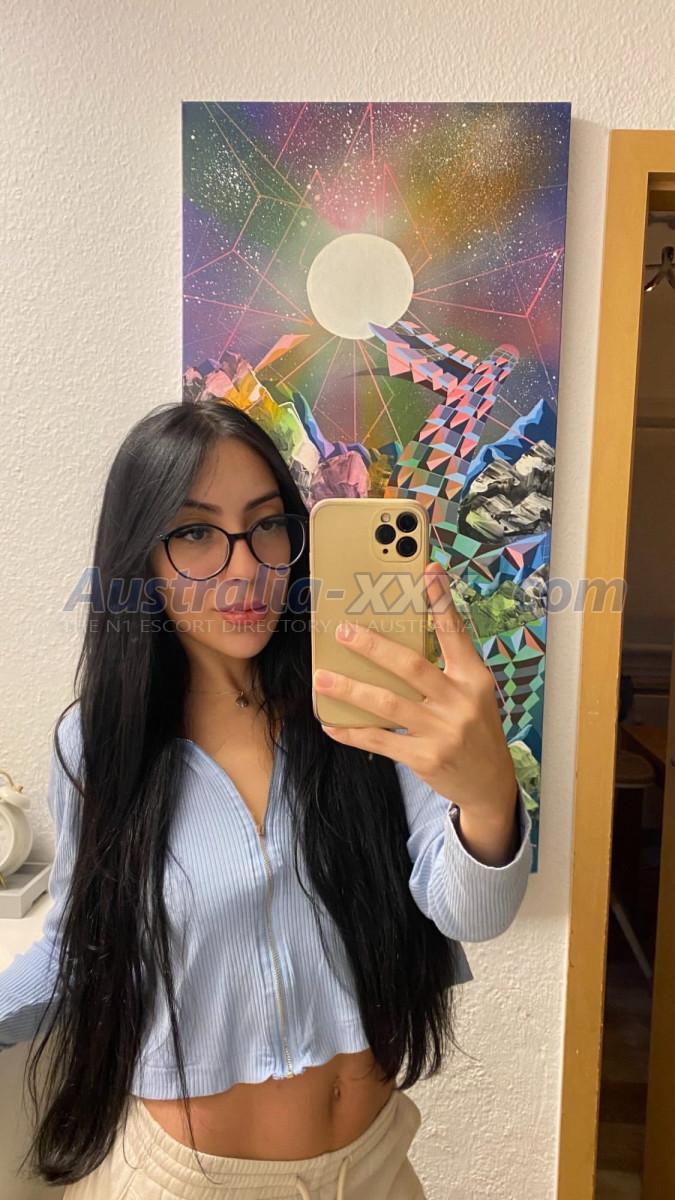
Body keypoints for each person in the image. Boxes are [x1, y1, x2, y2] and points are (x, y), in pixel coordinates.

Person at [0, 399, 533, 1199]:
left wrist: (489, 798)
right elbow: (78, 951)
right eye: (195, 533)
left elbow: (471, 912)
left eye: (267, 526)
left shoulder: (368, 709)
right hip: (187, 1181)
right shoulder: (102, 742)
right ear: (140, 557)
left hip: (372, 1170)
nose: (245, 568)